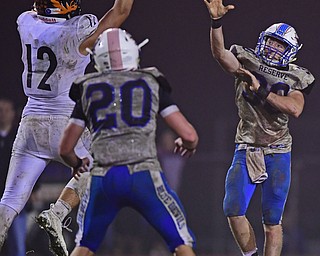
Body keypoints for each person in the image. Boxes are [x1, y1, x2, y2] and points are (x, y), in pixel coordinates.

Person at [0, 0, 134, 255]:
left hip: (30, 123)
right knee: (98, 169)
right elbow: (121, 11)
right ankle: (57, 214)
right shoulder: (78, 29)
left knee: (10, 200)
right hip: (65, 122)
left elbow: (38, 13)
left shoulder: (25, 22)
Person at [58, 28, 199, 256]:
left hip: (104, 177)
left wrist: (76, 162)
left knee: (84, 247)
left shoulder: (88, 87)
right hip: (143, 174)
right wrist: (188, 144)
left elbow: (65, 148)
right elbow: (190, 135)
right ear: (134, 53)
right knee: (180, 242)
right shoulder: (150, 81)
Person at [204, 0, 315, 255]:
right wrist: (216, 23)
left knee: (272, 220)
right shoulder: (249, 61)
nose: (274, 48)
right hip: (247, 146)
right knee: (232, 208)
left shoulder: (296, 76)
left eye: (280, 45)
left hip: (277, 150)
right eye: (272, 41)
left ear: (291, 51)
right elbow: (221, 54)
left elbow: (295, 108)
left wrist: (263, 91)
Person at [0, 97, 28, 256]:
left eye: (5, 110)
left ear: (12, 113)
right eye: (0, 111)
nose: (2, 114)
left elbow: (30, 163)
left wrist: (34, 189)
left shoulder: (20, 137)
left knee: (17, 247)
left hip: (16, 200)